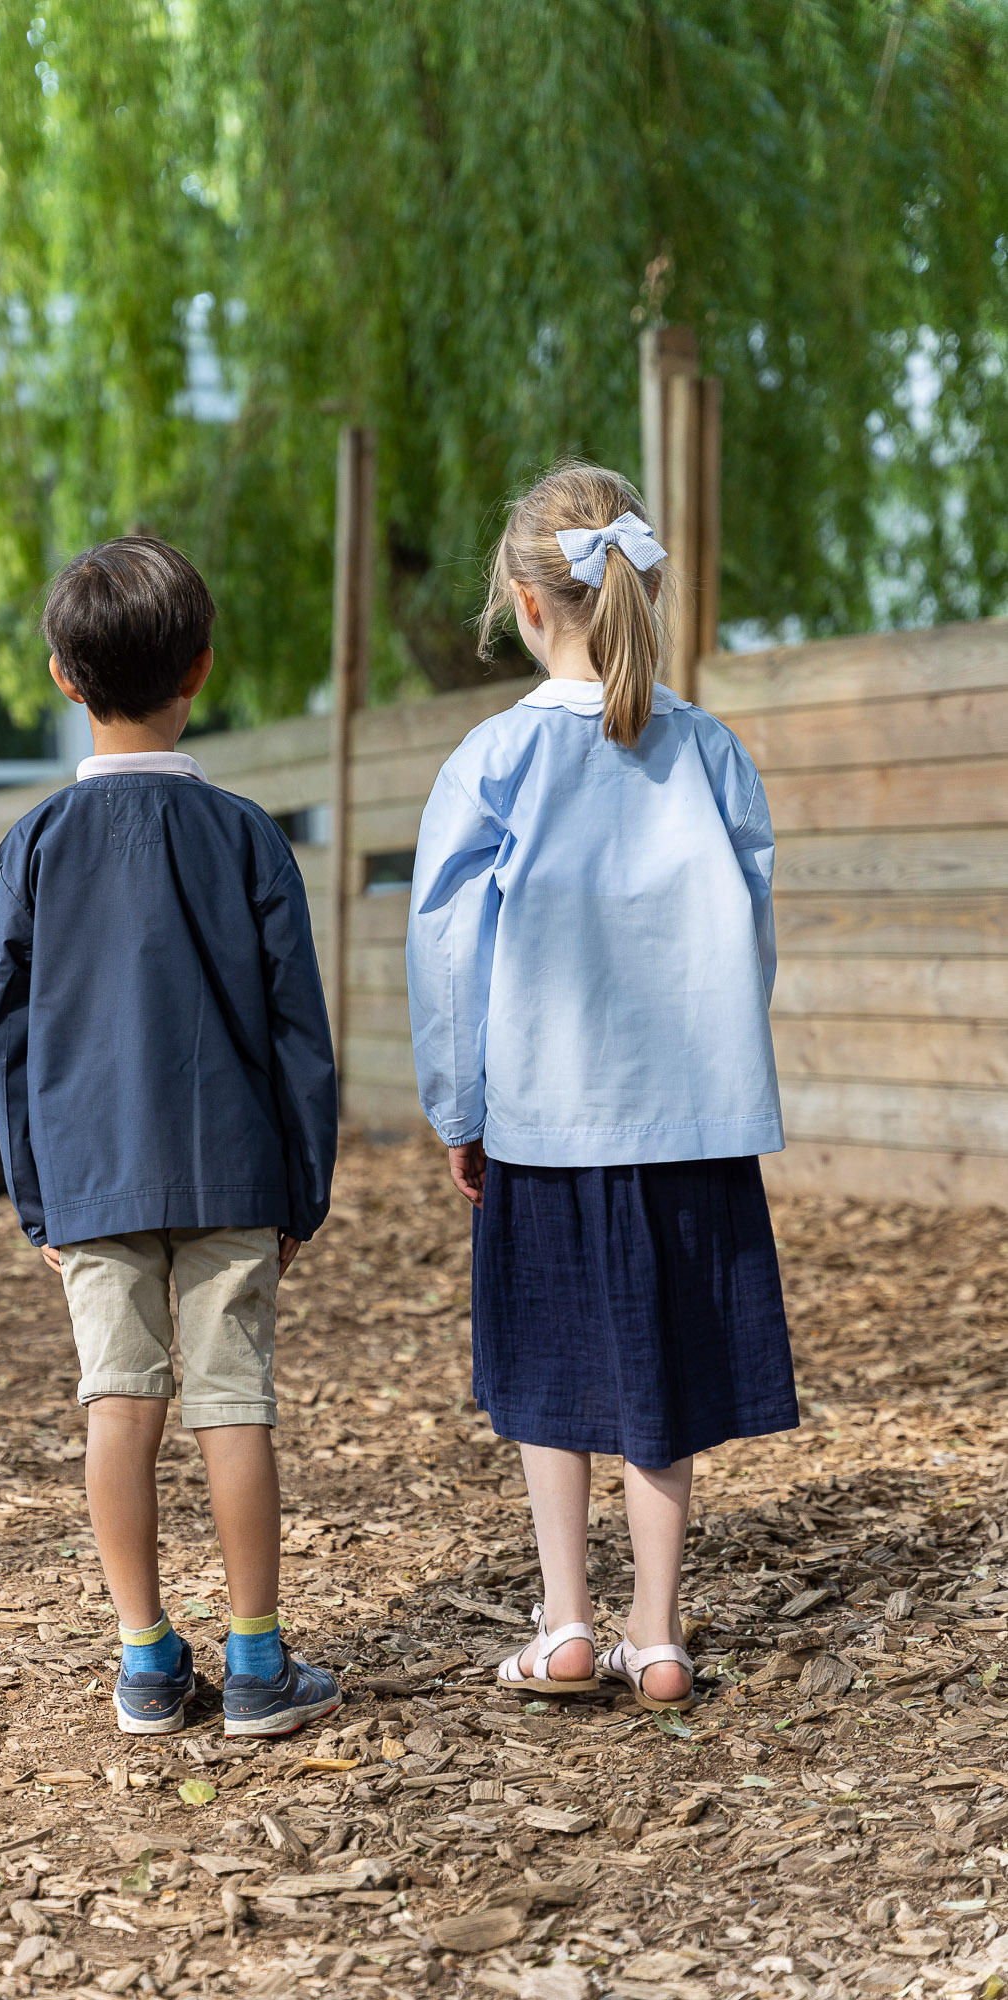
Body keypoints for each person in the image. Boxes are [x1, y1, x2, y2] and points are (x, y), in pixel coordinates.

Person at [405, 462, 797, 1712]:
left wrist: (455, 1107)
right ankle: (660, 1630)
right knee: (663, 1367)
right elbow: (753, 931)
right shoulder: (712, 751)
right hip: (690, 1114)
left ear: (524, 605)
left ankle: (565, 1616)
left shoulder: (492, 756)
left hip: (543, 1114)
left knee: (549, 1361)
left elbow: (447, 946)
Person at [0, 536, 341, 1739]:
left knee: (115, 1404)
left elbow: (10, 1037)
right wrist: (303, 1184)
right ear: (200, 666)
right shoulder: (245, 837)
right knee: (234, 1401)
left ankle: (143, 1658)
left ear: (60, 677)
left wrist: (37, 1196)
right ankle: (256, 1661)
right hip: (236, 1160)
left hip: (89, 1172)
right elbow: (298, 1025)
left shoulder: (30, 849)